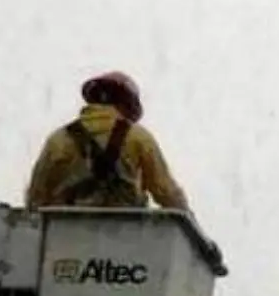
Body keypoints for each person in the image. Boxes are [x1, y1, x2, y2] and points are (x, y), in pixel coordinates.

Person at [23, 71, 192, 214]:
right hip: (127, 237)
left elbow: (36, 197)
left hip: (64, 239)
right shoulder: (138, 138)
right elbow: (166, 192)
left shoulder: (58, 140)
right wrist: (192, 227)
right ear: (126, 105)